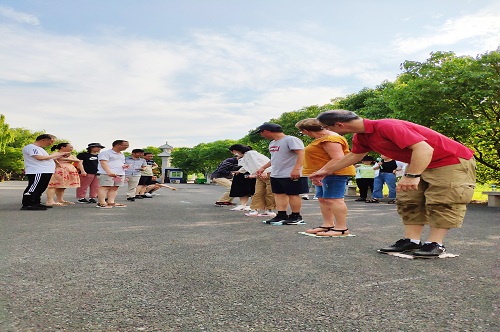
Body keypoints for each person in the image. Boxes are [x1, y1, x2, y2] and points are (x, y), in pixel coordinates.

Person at [311, 110, 476, 257]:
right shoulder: (361, 136)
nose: (327, 132)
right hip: (419, 161)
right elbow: (354, 156)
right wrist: (325, 170)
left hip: (449, 160)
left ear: (339, 125)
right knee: (408, 199)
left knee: (443, 200)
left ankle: (435, 244)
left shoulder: (387, 126)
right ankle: (411, 240)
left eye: (327, 128)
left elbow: (424, 149)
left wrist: (411, 175)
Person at [296, 119, 356, 236]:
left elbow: (338, 158)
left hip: (335, 173)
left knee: (334, 199)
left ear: (305, 130)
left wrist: (321, 172)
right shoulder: (321, 138)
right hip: (323, 173)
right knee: (323, 199)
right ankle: (328, 224)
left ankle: (341, 228)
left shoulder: (331, 139)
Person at [255, 123, 309, 225]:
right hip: (276, 173)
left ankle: (296, 216)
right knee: (279, 194)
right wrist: (263, 167)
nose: (261, 135)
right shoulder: (272, 143)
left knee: (293, 194)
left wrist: (297, 169)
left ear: (266, 131)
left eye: (261, 133)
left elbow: (301, 153)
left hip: (291, 173)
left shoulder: (290, 139)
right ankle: (281, 215)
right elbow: (275, 158)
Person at [21, 134, 67, 210]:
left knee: (41, 188)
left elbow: (47, 158)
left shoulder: (40, 149)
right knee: (33, 187)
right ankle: (28, 204)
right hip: (37, 171)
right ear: (43, 140)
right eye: (50, 142)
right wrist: (54, 155)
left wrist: (59, 156)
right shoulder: (31, 147)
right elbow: (39, 157)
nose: (51, 144)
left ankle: (36, 202)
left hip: (45, 171)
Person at [228, 144, 276, 217]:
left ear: (235, 151)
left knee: (269, 192)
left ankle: (269, 210)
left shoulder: (251, 154)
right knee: (257, 192)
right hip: (259, 174)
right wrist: (239, 171)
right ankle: (254, 209)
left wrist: (264, 171)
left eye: (233, 152)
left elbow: (259, 163)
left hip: (267, 173)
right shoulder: (244, 157)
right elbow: (246, 167)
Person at [96, 140, 130, 208]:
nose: (127, 147)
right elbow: (103, 163)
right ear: (117, 145)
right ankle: (102, 202)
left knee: (115, 188)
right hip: (107, 174)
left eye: (127, 145)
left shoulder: (121, 154)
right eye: (125, 145)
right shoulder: (106, 153)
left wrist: (124, 165)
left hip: (119, 173)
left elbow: (119, 162)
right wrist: (109, 172)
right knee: (105, 187)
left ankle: (111, 202)